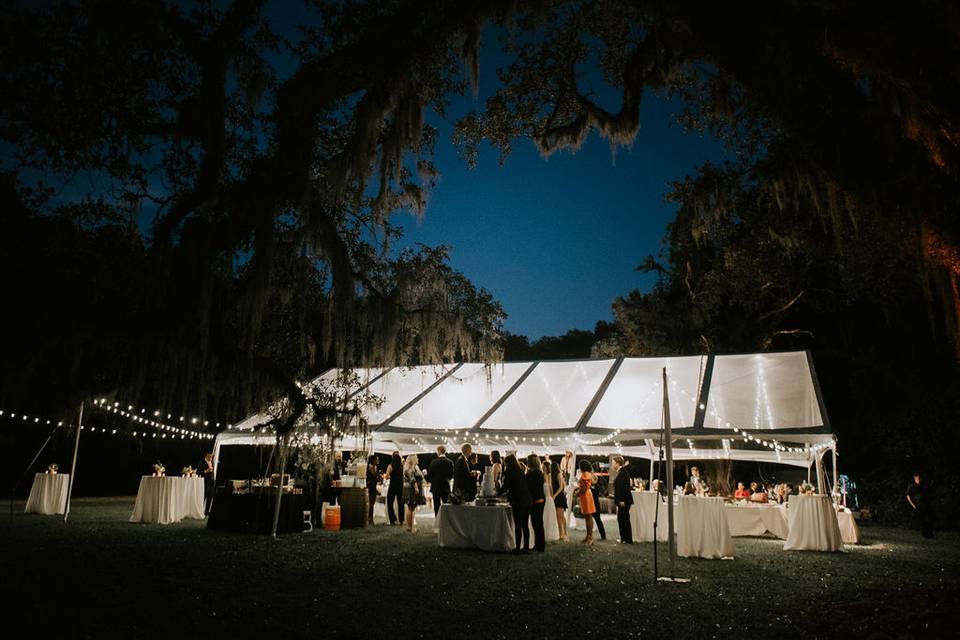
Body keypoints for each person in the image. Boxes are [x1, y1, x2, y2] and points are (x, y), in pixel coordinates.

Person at [500, 454, 532, 554]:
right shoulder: (520, 471)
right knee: (525, 525)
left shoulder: (510, 471)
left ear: (508, 463)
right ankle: (526, 548)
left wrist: (497, 492)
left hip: (518, 500)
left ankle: (517, 548)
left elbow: (506, 486)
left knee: (518, 525)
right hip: (527, 499)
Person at [526, 453, 546, 552]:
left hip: (535, 499)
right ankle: (539, 545)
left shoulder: (531, 473)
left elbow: (529, 487)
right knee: (539, 524)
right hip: (541, 498)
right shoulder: (540, 472)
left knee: (536, 523)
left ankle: (540, 546)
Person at [611, 456, 633, 544]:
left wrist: (621, 500)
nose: (612, 465)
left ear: (617, 463)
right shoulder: (622, 472)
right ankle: (625, 538)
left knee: (623, 519)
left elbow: (622, 488)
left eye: (613, 463)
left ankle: (626, 539)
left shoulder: (623, 473)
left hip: (624, 501)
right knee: (623, 519)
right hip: (623, 500)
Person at [906, 471, 934, 538]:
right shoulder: (911, 486)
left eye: (920, 478)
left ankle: (930, 533)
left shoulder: (923, 485)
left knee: (930, 519)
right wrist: (913, 505)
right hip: (919, 506)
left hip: (927, 505)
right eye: (918, 478)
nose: (919, 480)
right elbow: (908, 496)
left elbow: (928, 494)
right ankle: (925, 534)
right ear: (915, 478)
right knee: (922, 520)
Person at [428, 445, 454, 516]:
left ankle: (437, 520)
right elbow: (451, 475)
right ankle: (446, 520)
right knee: (446, 505)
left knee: (436, 505)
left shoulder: (434, 462)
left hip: (435, 487)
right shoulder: (450, 462)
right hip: (445, 486)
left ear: (439, 451)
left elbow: (430, 475)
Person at [402, 454, 424, 532]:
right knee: (410, 508)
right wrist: (416, 488)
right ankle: (409, 527)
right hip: (411, 490)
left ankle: (411, 527)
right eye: (416, 458)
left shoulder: (415, 467)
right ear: (413, 459)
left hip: (412, 489)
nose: (418, 459)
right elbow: (412, 479)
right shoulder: (409, 468)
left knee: (412, 508)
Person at [576, 460, 597, 544]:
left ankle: (590, 537)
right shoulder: (587, 474)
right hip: (586, 495)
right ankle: (588, 536)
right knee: (587, 516)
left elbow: (584, 488)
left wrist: (577, 493)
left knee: (589, 516)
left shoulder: (586, 475)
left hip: (586, 496)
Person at [549, 461, 568, 541]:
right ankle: (562, 533)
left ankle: (563, 534)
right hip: (556, 497)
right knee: (559, 517)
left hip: (559, 497)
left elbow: (561, 487)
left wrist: (554, 495)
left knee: (560, 517)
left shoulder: (558, 474)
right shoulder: (551, 476)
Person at [383, 451, 404, 525]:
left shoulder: (390, 465)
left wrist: (387, 476)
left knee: (390, 502)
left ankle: (393, 520)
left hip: (393, 485)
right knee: (400, 503)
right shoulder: (402, 465)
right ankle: (401, 520)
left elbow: (386, 476)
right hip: (400, 486)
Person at [541, 460, 560, 542]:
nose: (542, 467)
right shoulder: (541, 475)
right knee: (544, 515)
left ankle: (549, 533)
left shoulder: (548, 475)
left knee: (548, 515)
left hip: (548, 497)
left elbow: (550, 486)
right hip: (544, 496)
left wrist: (552, 496)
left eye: (543, 466)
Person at [366, 454, 379, 525]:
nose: (377, 461)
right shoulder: (371, 466)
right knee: (371, 503)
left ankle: (370, 518)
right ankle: (370, 519)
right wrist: (378, 475)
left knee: (372, 503)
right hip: (371, 486)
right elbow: (374, 475)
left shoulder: (374, 466)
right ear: (372, 460)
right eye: (376, 459)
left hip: (373, 486)